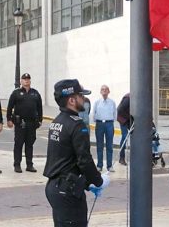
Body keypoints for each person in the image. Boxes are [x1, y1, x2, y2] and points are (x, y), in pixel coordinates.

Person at [44, 79, 108, 226]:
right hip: (68, 191)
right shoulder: (77, 124)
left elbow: (65, 158)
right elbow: (84, 159)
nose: (84, 99)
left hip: (55, 187)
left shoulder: (57, 121)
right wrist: (98, 181)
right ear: (72, 100)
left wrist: (87, 183)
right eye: (81, 96)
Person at [6, 73, 43, 173]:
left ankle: (29, 165)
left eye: (28, 79)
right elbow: (10, 107)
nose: (26, 81)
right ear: (21, 81)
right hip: (20, 123)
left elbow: (39, 107)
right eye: (24, 79)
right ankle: (17, 164)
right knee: (18, 144)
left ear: (30, 81)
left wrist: (40, 120)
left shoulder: (35, 93)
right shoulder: (16, 93)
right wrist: (9, 119)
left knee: (29, 144)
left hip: (32, 123)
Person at [91, 85, 116, 172]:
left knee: (109, 146)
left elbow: (115, 114)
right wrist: (97, 121)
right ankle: (99, 165)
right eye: (102, 89)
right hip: (99, 124)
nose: (104, 91)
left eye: (106, 89)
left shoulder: (112, 102)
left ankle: (109, 166)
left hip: (109, 124)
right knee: (99, 145)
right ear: (100, 92)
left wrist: (111, 121)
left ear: (109, 91)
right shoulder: (97, 102)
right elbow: (93, 113)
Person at [116, 93, 131, 166]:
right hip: (122, 119)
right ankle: (121, 158)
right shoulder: (127, 98)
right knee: (124, 136)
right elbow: (120, 110)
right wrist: (129, 117)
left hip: (129, 118)